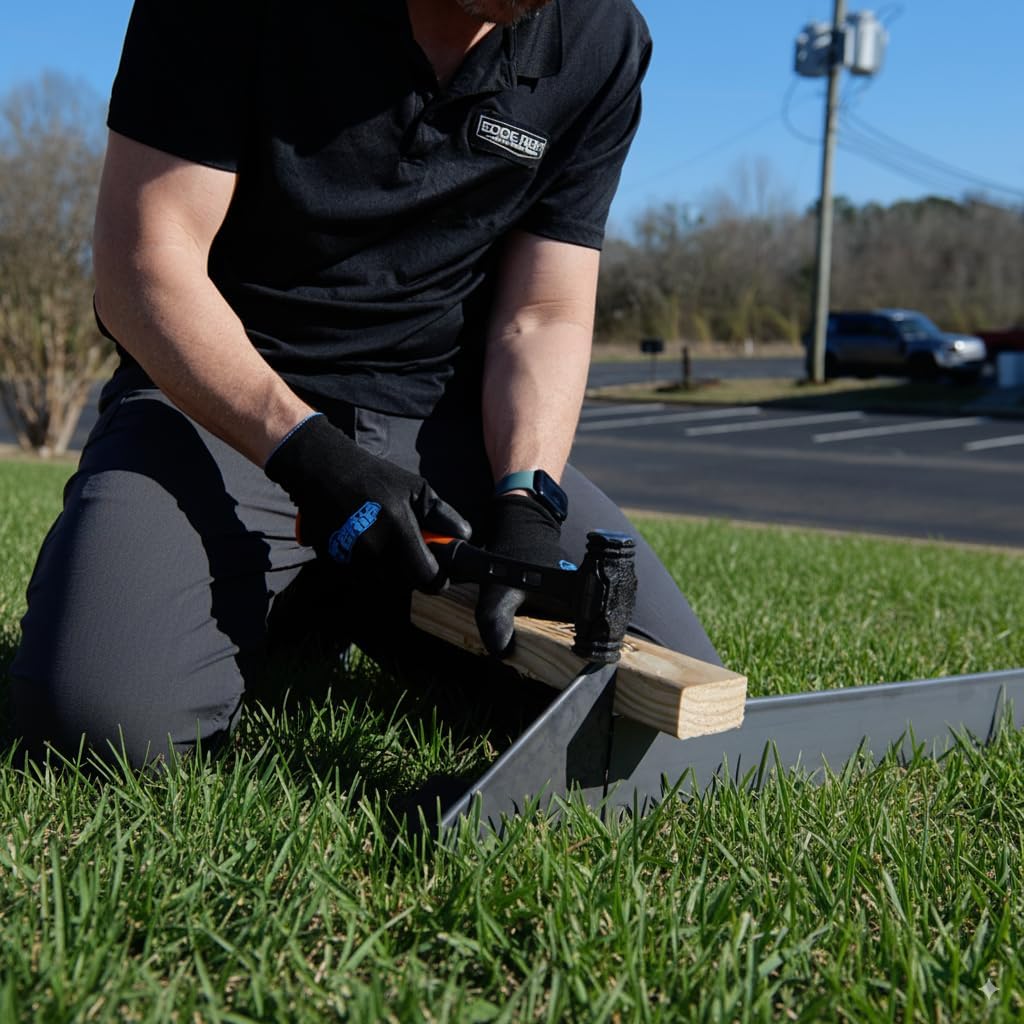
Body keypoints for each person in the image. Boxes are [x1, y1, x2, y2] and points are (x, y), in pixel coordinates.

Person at [11, 0, 720, 768]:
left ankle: (351, 593)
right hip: (218, 411)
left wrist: (526, 501)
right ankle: (313, 584)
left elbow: (542, 313)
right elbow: (144, 268)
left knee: (658, 718)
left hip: (439, 433)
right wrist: (313, 460)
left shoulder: (602, 39)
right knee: (101, 724)